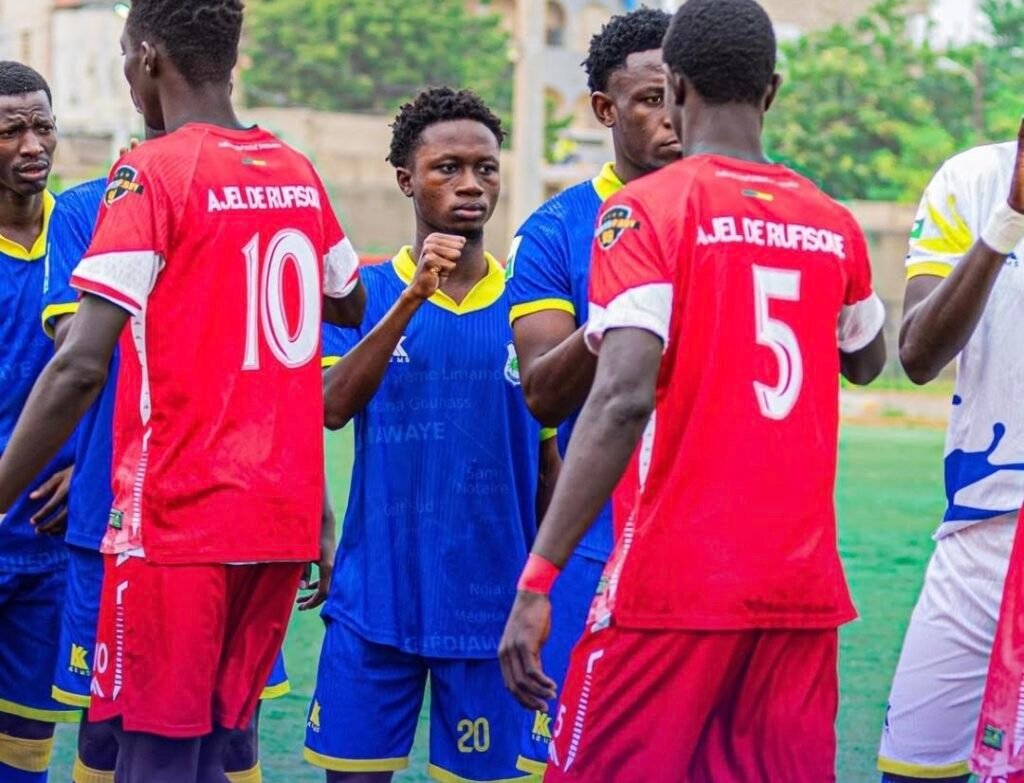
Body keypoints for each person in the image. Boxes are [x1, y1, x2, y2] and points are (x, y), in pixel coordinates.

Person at [498, 0, 887, 780]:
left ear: (674, 86)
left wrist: (537, 579)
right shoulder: (831, 221)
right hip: (800, 593)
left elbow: (620, 397)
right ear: (770, 91)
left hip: (672, 586)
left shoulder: (646, 210)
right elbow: (869, 357)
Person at [0, 1, 365, 781]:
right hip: (280, 521)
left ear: (148, 61)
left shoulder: (152, 169)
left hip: (178, 526)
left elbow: (79, 363)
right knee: (213, 750)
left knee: (153, 755)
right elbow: (346, 297)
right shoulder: (295, 169)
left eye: (128, 55)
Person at [304, 86, 545, 783]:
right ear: (407, 179)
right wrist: (413, 298)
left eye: (486, 167)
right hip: (375, 602)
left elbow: (552, 460)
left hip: (492, 617)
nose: (470, 184)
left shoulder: (533, 305)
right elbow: (329, 405)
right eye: (447, 168)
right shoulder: (365, 293)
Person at [43, 172, 298, 783]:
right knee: (105, 727)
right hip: (115, 512)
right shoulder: (87, 207)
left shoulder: (265, 196)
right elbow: (77, 352)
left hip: (237, 511)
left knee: (235, 726)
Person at [503, 7, 677, 773]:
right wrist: (618, 310)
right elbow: (542, 392)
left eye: (680, 93)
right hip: (598, 542)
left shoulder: (734, 213)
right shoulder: (556, 230)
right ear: (605, 110)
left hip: (711, 541)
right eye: (647, 99)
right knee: (575, 759)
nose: (670, 114)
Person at [876, 113, 1024, 783]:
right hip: (979, 532)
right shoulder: (973, 179)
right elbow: (917, 354)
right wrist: (1010, 215)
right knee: (913, 768)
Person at [0, 60, 79, 783]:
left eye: (43, 126)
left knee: (27, 739)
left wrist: (87, 463)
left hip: (56, 537)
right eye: (12, 130)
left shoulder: (88, 230)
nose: (33, 145)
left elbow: (131, 370)